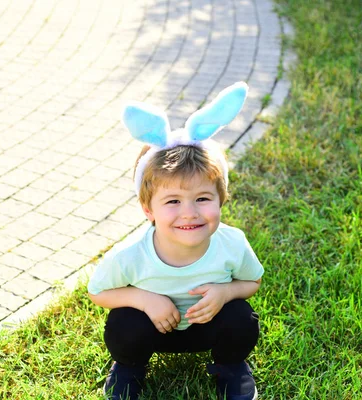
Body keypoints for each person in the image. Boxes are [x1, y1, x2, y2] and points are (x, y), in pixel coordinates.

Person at [87, 82, 264, 400]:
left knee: (242, 317)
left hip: (207, 327)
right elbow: (98, 291)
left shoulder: (232, 243)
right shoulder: (130, 255)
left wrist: (225, 292)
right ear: (147, 209)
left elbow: (252, 281)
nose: (189, 213)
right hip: (154, 330)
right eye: (172, 202)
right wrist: (143, 300)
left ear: (221, 199)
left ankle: (229, 366)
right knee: (123, 322)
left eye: (202, 198)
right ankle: (129, 367)